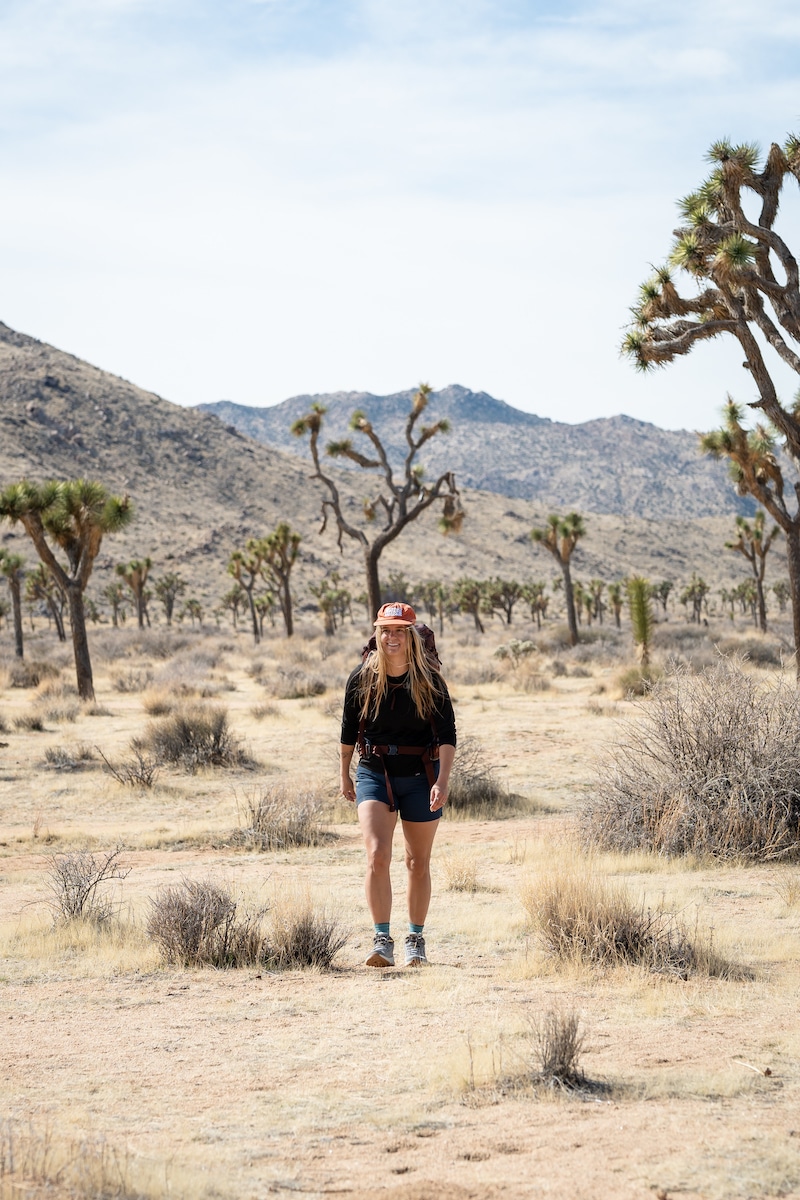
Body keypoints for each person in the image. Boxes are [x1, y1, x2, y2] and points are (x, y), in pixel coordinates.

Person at [340, 601, 457, 968]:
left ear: (411, 637)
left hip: (421, 776)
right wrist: (344, 771)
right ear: (378, 633)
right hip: (374, 771)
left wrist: (443, 780)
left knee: (416, 862)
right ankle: (380, 939)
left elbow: (448, 735)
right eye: (386, 631)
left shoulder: (430, 681)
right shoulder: (361, 678)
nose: (392, 637)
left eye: (400, 631)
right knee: (377, 855)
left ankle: (415, 940)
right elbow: (347, 731)